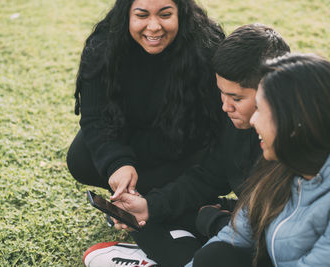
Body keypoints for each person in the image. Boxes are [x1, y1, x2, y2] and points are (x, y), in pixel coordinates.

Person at [83, 24, 290, 267]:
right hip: (244, 217)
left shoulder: (296, 143)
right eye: (221, 93)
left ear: (274, 89)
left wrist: (212, 220)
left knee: (219, 256)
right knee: (147, 218)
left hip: (268, 239)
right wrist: (149, 207)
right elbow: (209, 176)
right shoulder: (234, 123)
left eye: (236, 98)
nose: (225, 107)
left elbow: (279, 238)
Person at [187, 53, 330, 267]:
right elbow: (235, 236)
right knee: (216, 256)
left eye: (261, 110)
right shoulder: (290, 158)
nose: (253, 120)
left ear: (292, 123)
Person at [67, 0, 225, 212]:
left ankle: (161, 201)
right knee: (81, 158)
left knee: (202, 167)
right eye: (142, 15)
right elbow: (95, 117)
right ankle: (137, 197)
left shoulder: (205, 47)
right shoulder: (103, 46)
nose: (153, 26)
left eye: (165, 15)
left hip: (182, 147)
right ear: (127, 15)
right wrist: (118, 163)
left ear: (181, 13)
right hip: (132, 137)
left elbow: (210, 127)